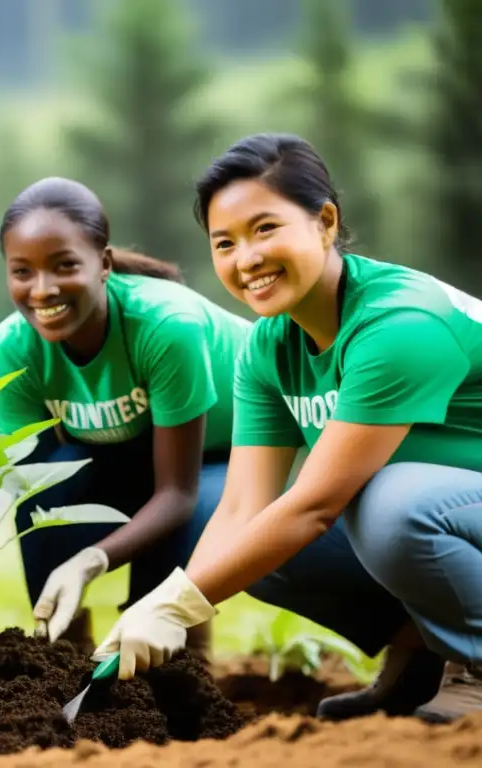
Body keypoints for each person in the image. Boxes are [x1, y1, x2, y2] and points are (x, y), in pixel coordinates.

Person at [91, 132, 482, 724]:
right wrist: (158, 605)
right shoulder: (270, 347)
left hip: (446, 505)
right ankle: (421, 655)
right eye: (225, 243)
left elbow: (316, 505)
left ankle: (474, 663)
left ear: (325, 221)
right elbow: (244, 507)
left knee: (388, 508)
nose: (246, 259)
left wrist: (175, 609)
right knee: (245, 542)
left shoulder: (398, 323)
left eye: (265, 228)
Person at [0, 177, 253, 655]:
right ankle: (60, 655)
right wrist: (58, 574)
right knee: (39, 500)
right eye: (22, 272)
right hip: (122, 451)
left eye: (65, 266)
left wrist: (91, 560)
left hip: (221, 453)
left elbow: (177, 493)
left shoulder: (165, 327)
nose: (42, 290)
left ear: (104, 264)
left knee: (170, 556)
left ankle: (182, 665)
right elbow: (33, 484)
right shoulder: (14, 347)